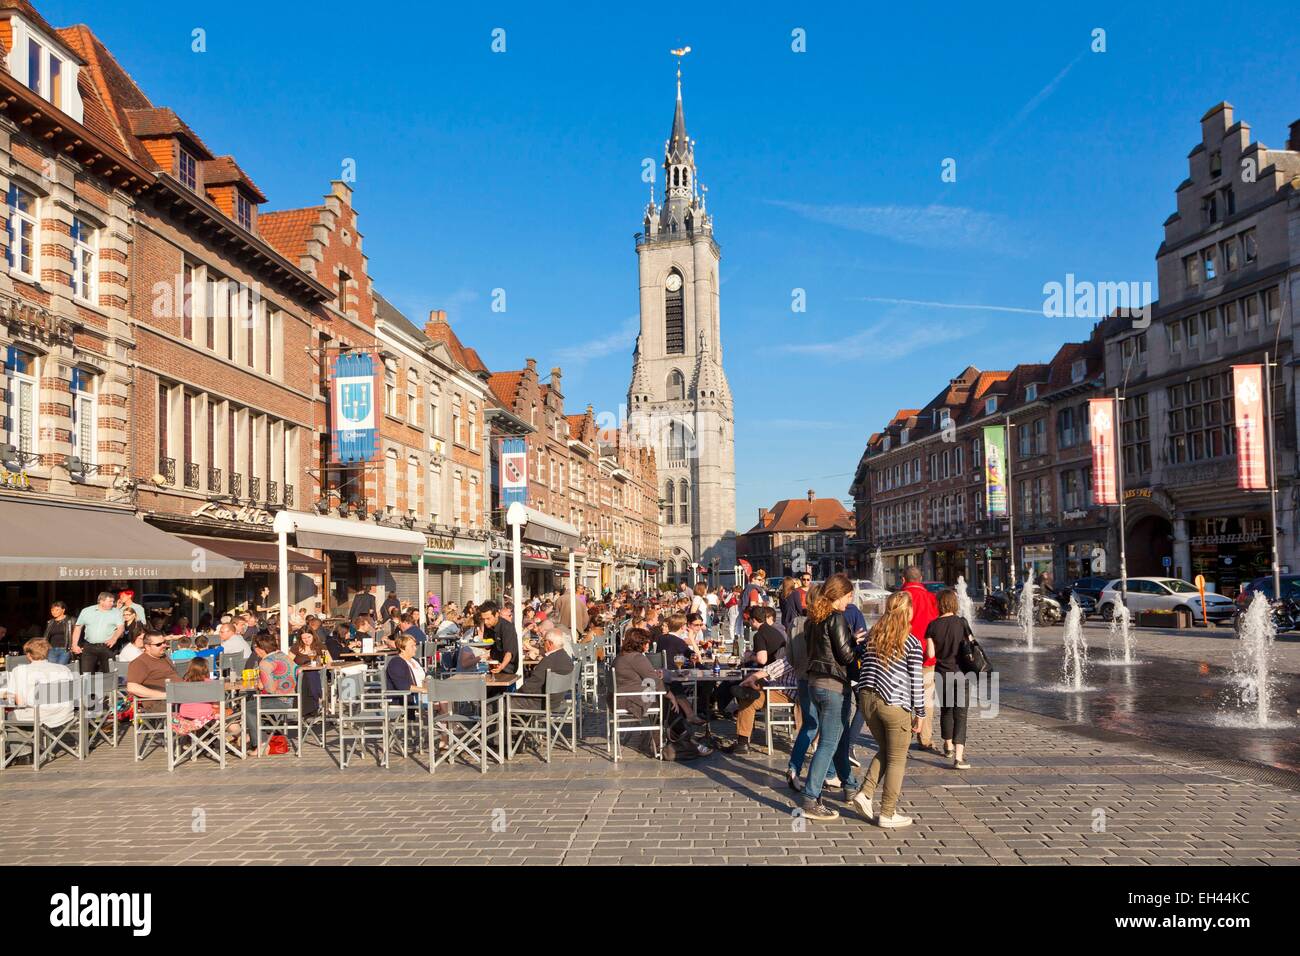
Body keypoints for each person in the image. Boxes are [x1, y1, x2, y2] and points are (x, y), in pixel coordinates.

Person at [848, 590, 926, 828]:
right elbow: (916, 681)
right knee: (897, 758)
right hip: (893, 703)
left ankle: (865, 793)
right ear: (908, 611)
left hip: (867, 699)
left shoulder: (874, 636)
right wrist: (920, 713)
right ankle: (888, 812)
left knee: (887, 749)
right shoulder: (911, 642)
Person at [798, 573, 860, 821]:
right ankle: (811, 797)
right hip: (834, 685)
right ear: (838, 595)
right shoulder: (836, 619)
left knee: (840, 737)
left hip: (816, 682)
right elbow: (845, 656)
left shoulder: (813, 619)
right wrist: (858, 645)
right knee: (828, 743)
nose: (850, 601)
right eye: (848, 596)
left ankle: (850, 784)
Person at [723, 605, 797, 755]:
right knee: (747, 692)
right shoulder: (782, 639)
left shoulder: (796, 655)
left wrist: (753, 673)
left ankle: (743, 742)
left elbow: (774, 666)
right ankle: (743, 739)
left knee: (747, 697)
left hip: (786, 692)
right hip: (777, 686)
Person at [927, 589, 974, 769]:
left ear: (939, 604)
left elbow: (931, 653)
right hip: (962, 674)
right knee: (960, 714)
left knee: (946, 710)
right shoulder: (962, 623)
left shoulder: (932, 625)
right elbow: (971, 644)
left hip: (941, 673)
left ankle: (947, 745)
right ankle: (959, 757)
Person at [899, 566, 939, 750]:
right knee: (927, 698)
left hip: (902, 656)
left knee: (903, 697)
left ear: (903, 579)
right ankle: (925, 738)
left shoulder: (900, 598)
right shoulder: (931, 598)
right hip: (926, 657)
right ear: (921, 578)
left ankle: (903, 737)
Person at [1, 638, 75, 731]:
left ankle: (24, 744)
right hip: (63, 716)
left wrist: (4, 695)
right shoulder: (64, 669)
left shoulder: (20, 671)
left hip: (36, 716)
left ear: (28, 654)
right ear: (47, 652)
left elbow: (20, 702)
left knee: (5, 715)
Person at [611, 627, 665, 756]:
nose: (649, 645)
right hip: (630, 701)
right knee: (667, 701)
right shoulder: (637, 658)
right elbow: (653, 680)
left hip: (618, 698)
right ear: (639, 643)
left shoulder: (621, 656)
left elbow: (643, 676)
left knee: (660, 695)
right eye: (646, 642)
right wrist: (670, 694)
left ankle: (650, 740)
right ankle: (659, 743)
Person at [512, 627, 574, 710]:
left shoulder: (548, 661)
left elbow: (530, 686)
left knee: (498, 704)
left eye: (543, 641)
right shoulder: (566, 658)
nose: (542, 644)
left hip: (540, 702)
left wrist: (514, 693)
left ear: (549, 643)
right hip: (556, 701)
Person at [71, 592, 124, 676]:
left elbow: (121, 628)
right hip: (89, 647)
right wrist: (74, 644)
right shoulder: (87, 611)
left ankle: (109, 689)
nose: (112, 603)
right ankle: (87, 689)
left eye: (113, 601)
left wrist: (114, 638)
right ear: (101, 601)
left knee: (109, 673)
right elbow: (78, 628)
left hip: (107, 647)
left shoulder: (116, 612)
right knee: (86, 674)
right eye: (110, 601)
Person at [125, 632, 178, 714]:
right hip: (161, 703)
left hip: (178, 697)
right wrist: (164, 695)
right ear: (147, 647)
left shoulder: (163, 656)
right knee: (198, 704)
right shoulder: (140, 663)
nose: (164, 645)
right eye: (158, 644)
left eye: (164, 642)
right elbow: (132, 687)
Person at [478, 601, 519, 677]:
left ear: (496, 614)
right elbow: (488, 646)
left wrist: (502, 666)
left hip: (507, 667)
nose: (486, 622)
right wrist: (479, 642)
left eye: (488, 618)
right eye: (483, 619)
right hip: (493, 664)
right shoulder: (488, 625)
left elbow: (509, 653)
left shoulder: (507, 627)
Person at [43, 601, 74, 665]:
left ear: (63, 610)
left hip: (65, 649)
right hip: (52, 649)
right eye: (52, 610)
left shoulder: (71, 621)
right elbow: (46, 636)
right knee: (52, 669)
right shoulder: (50, 622)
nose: (54, 612)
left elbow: (76, 634)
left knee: (61, 668)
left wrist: (74, 646)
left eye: (57, 610)